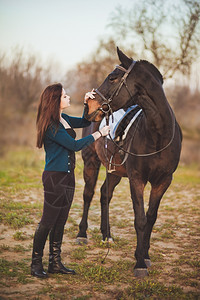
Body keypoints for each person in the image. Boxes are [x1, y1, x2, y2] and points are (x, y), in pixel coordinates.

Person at [31, 83, 109, 278]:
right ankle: (35, 263)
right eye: (64, 96)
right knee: (48, 221)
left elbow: (84, 122)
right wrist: (99, 134)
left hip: (68, 176)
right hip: (54, 178)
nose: (67, 98)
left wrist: (86, 103)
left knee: (61, 221)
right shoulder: (50, 125)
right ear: (55, 100)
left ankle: (55, 263)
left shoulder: (63, 119)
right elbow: (74, 145)